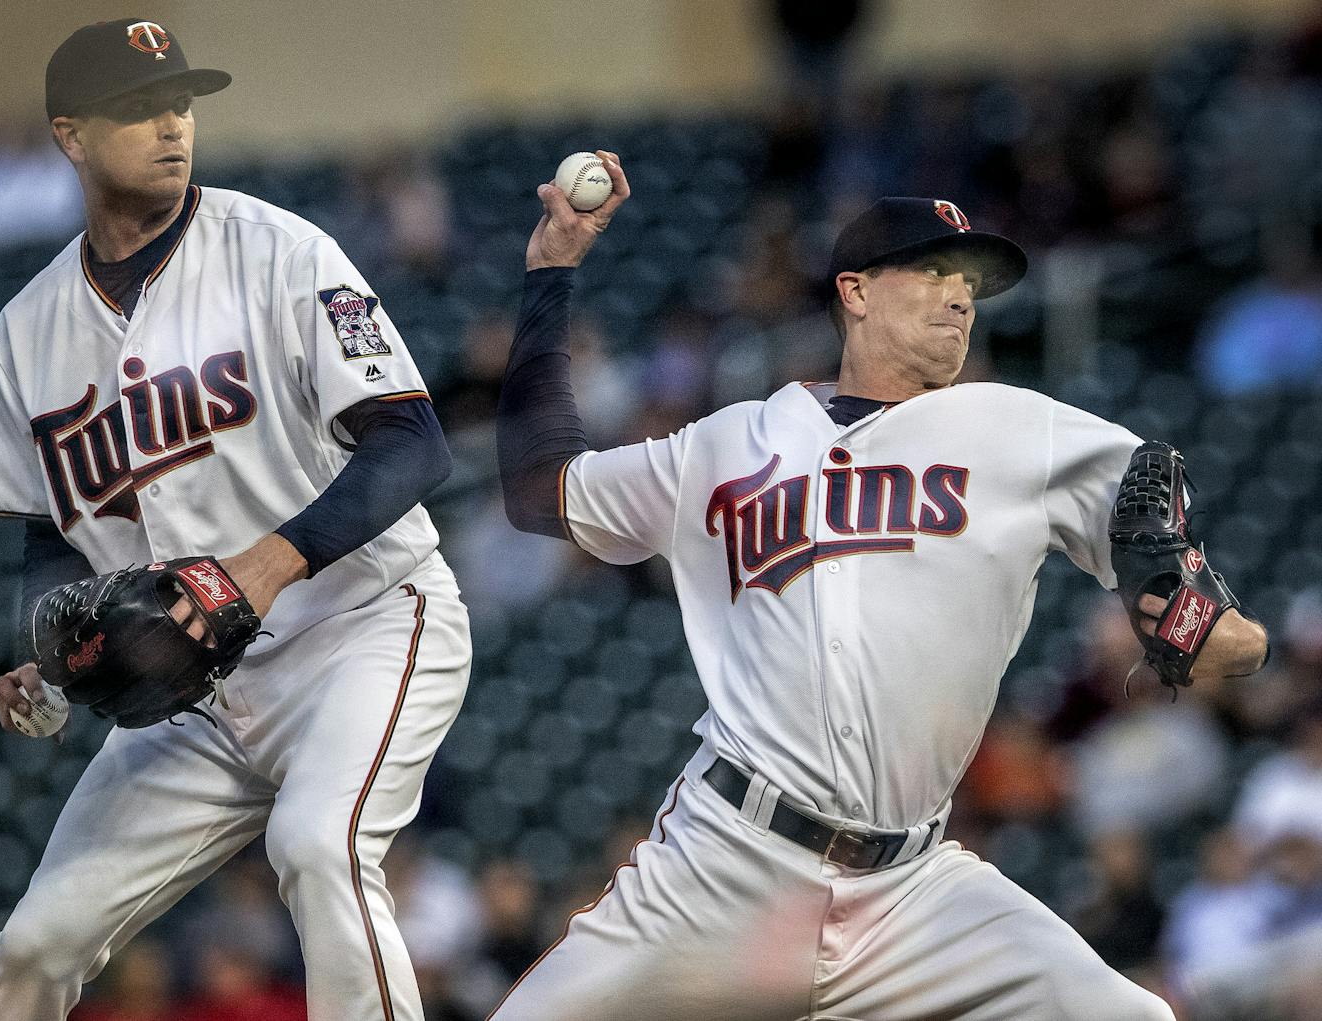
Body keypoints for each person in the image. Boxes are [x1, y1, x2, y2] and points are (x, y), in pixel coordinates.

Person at [492, 163, 1270, 1020]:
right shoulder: (725, 445)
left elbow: (1191, 586)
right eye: (934, 272)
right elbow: (539, 488)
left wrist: (1223, 634)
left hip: (913, 891)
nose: (961, 298)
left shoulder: (1021, 430)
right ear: (855, 292)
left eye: (970, 283)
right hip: (726, 862)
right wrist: (551, 271)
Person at [0, 20, 471, 1021]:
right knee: (32, 947)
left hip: (357, 630)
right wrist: (54, 657)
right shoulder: (25, 331)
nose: (170, 125)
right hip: (189, 700)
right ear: (70, 137)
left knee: (318, 847)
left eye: (182, 102)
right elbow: (48, 536)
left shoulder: (283, 251)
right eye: (138, 108)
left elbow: (414, 443)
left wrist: (264, 566)